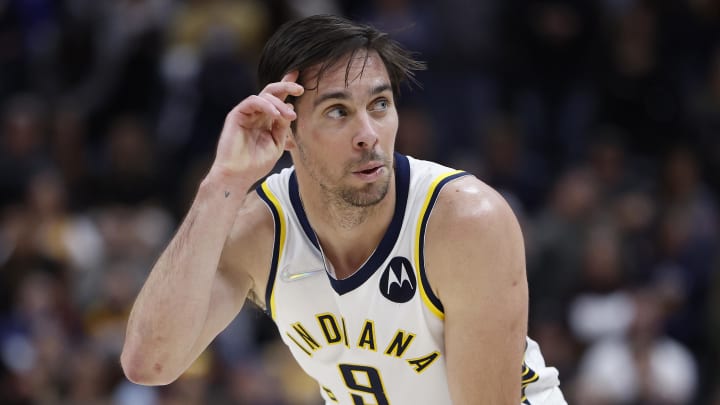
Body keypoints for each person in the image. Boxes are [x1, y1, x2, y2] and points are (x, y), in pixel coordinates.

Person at [120, 14, 566, 404]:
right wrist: (223, 181)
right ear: (285, 129)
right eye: (338, 111)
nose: (368, 134)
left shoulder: (464, 222)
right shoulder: (260, 229)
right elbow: (150, 364)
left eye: (380, 105)